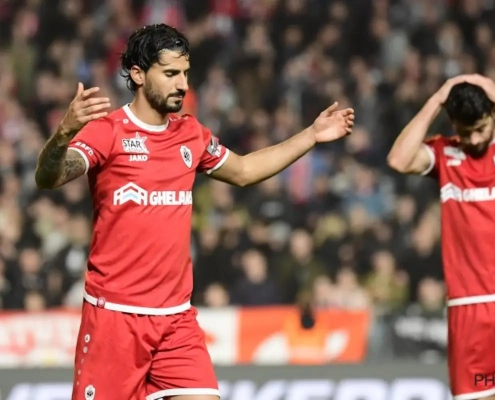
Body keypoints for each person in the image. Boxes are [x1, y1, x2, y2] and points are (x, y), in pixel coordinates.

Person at [34, 24, 354, 400]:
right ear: (138, 73)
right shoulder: (109, 131)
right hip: (116, 318)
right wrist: (63, 133)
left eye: (185, 73)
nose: (183, 84)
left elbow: (245, 170)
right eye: (171, 73)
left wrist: (311, 135)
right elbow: (49, 177)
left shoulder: (190, 134)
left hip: (176, 320)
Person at [387, 74, 495, 400]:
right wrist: (436, 99)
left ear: (493, 114)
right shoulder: (444, 153)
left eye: (480, 128)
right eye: (466, 132)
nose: (475, 139)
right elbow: (398, 159)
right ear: (453, 124)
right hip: (469, 305)